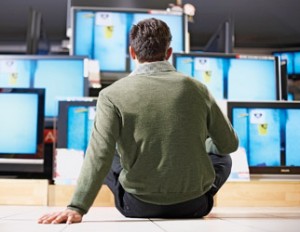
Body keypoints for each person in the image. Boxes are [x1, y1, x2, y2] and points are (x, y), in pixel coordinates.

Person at [38, 18, 238, 224]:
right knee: (223, 158)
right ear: (169, 53)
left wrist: (76, 206)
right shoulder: (198, 88)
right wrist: (201, 143)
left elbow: (99, 155)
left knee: (109, 151)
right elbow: (229, 144)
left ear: (132, 52)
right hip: (195, 205)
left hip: (136, 206)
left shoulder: (111, 94)